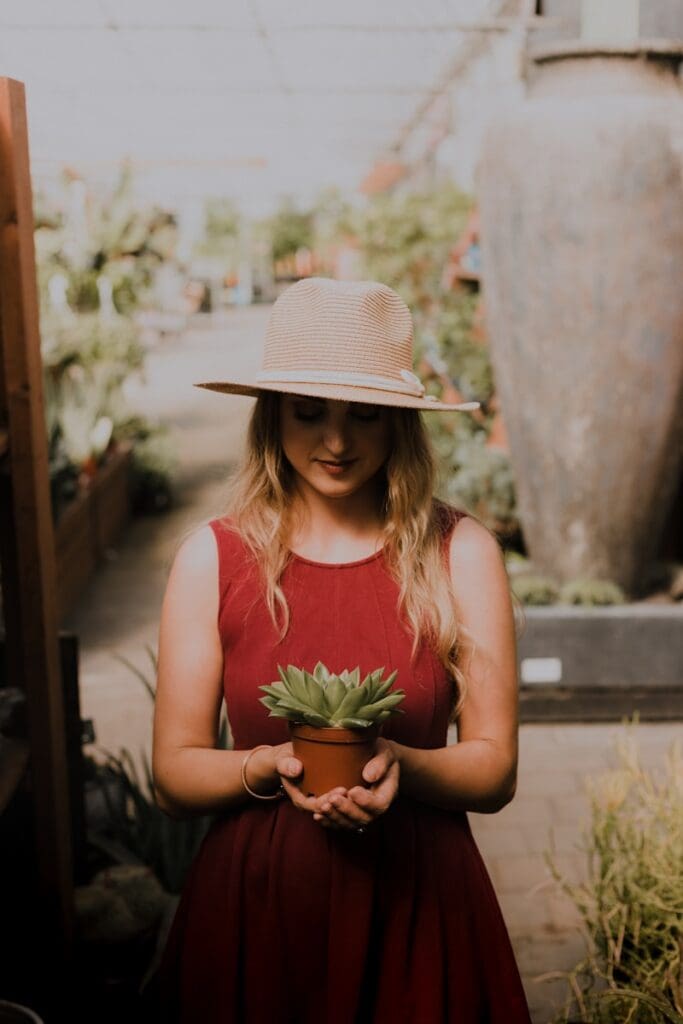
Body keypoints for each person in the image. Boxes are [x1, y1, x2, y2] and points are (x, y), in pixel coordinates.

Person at [150, 277, 532, 1022]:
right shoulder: (212, 558)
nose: (335, 440)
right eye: (308, 411)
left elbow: (494, 768)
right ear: (271, 415)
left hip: (421, 904)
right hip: (254, 912)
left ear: (398, 423)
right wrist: (266, 766)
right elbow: (173, 774)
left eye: (364, 413)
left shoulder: (460, 553)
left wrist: (404, 762)